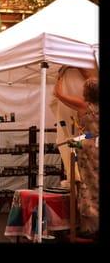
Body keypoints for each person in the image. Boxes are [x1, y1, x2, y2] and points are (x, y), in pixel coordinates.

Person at [54, 69, 99, 239]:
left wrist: (60, 77)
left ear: (86, 92)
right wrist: (81, 69)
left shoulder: (83, 105)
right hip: (94, 141)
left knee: (88, 185)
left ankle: (90, 227)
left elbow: (58, 94)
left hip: (89, 148)